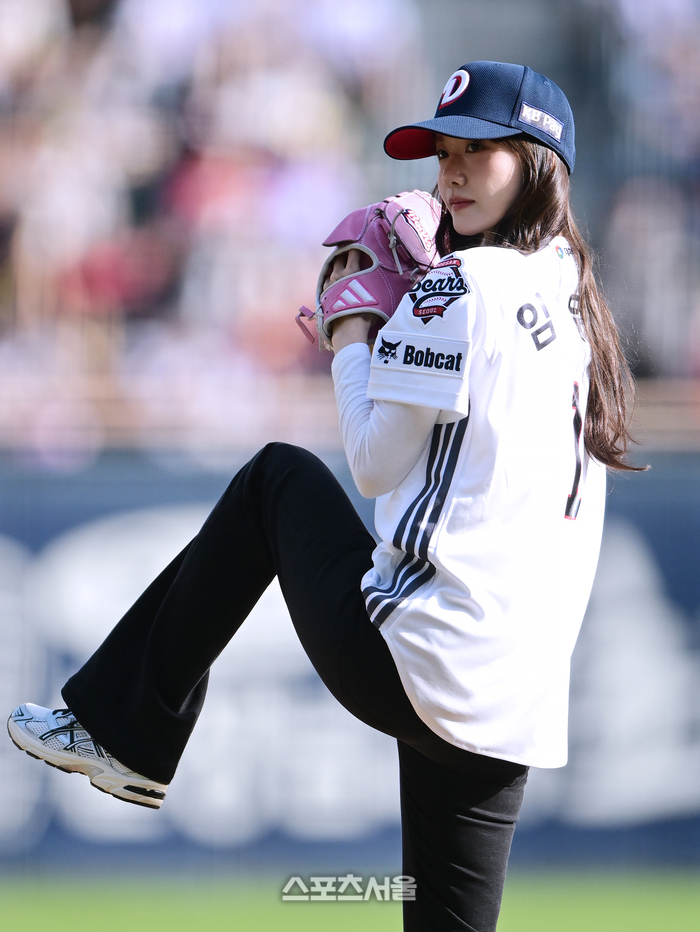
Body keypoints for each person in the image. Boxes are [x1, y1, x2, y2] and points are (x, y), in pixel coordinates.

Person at [7, 61, 638, 932]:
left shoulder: (464, 285)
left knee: (278, 479)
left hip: (424, 662)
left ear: (537, 163)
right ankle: (126, 733)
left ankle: (126, 734)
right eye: (443, 154)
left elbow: (374, 463)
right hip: (515, 700)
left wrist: (352, 330)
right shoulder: (572, 298)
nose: (452, 173)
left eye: (479, 151)